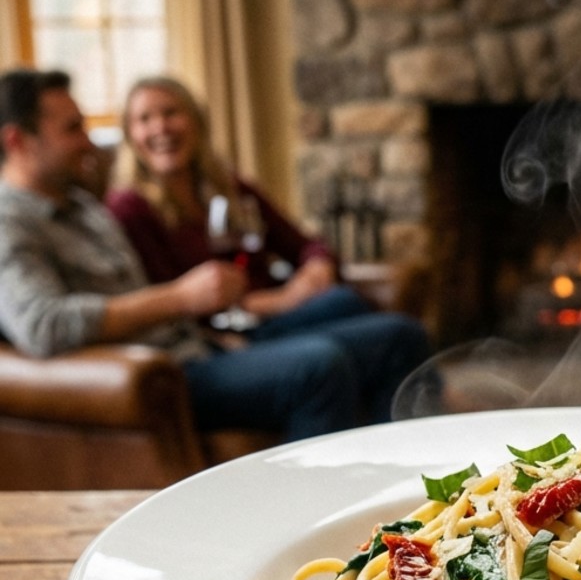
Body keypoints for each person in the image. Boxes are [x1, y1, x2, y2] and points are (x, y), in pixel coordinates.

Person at [0, 68, 433, 442]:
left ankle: (405, 484)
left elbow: (298, 244)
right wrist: (183, 300)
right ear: (18, 141)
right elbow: (42, 324)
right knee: (319, 365)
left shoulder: (82, 208)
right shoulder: (10, 221)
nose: (89, 141)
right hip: (160, 374)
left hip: (198, 347)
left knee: (394, 334)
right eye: (72, 128)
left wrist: (208, 328)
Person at [108, 74, 378, 340]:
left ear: (197, 122)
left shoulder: (228, 186)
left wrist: (316, 268)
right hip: (226, 334)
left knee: (366, 314)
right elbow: (165, 303)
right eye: (144, 119)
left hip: (275, 316)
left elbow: (304, 244)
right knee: (349, 311)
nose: (161, 127)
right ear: (130, 136)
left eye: (171, 113)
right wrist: (276, 301)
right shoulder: (129, 208)